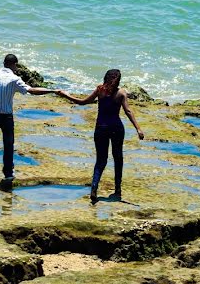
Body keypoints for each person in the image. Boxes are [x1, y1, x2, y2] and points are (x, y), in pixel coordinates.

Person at [58, 69, 144, 203]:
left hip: (101, 128)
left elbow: (82, 102)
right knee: (118, 158)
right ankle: (117, 189)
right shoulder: (121, 93)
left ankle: (94, 188)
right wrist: (138, 128)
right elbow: (128, 111)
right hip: (116, 128)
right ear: (119, 80)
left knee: (101, 160)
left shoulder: (100, 90)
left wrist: (65, 95)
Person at [0, 54, 57, 189]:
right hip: (6, 117)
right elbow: (31, 90)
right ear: (14, 65)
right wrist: (53, 90)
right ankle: (7, 174)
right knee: (8, 146)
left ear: (4, 63)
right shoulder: (14, 79)